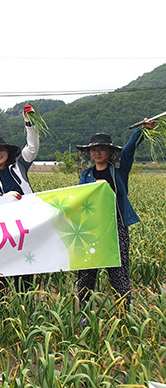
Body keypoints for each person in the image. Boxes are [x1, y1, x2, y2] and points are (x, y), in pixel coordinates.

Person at [75, 121, 152, 321]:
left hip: (115, 226)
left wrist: (141, 130)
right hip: (91, 229)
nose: (97, 153)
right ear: (89, 153)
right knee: (86, 274)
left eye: (102, 149)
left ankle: (124, 316)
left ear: (110, 152)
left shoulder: (119, 170)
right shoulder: (86, 175)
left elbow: (129, 149)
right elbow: (78, 197)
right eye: (94, 149)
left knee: (118, 273)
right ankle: (85, 316)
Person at [0, 104, 39, 294]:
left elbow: (33, 146)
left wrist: (30, 122)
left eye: (0, 150)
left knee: (25, 270)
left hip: (24, 225)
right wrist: (4, 198)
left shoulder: (19, 166)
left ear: (7, 151)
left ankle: (24, 304)